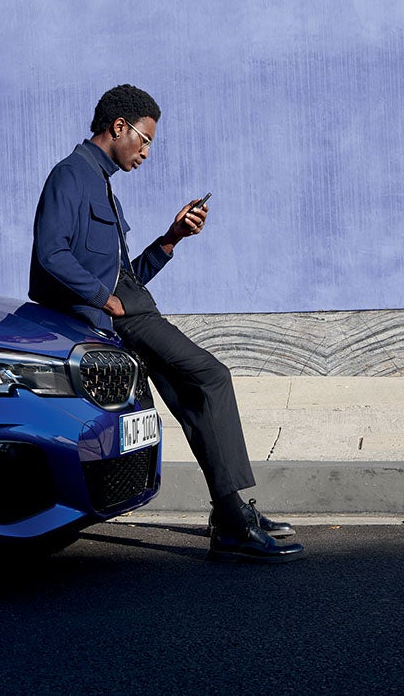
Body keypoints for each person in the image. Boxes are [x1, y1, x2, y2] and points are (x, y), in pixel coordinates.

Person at [29, 84, 305, 563]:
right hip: (118, 318)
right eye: (145, 138)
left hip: (130, 308)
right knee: (210, 377)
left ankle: (230, 512)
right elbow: (50, 254)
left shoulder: (104, 187)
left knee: (193, 396)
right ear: (119, 127)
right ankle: (232, 519)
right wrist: (102, 299)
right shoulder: (70, 176)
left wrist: (171, 239)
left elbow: (123, 275)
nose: (147, 151)